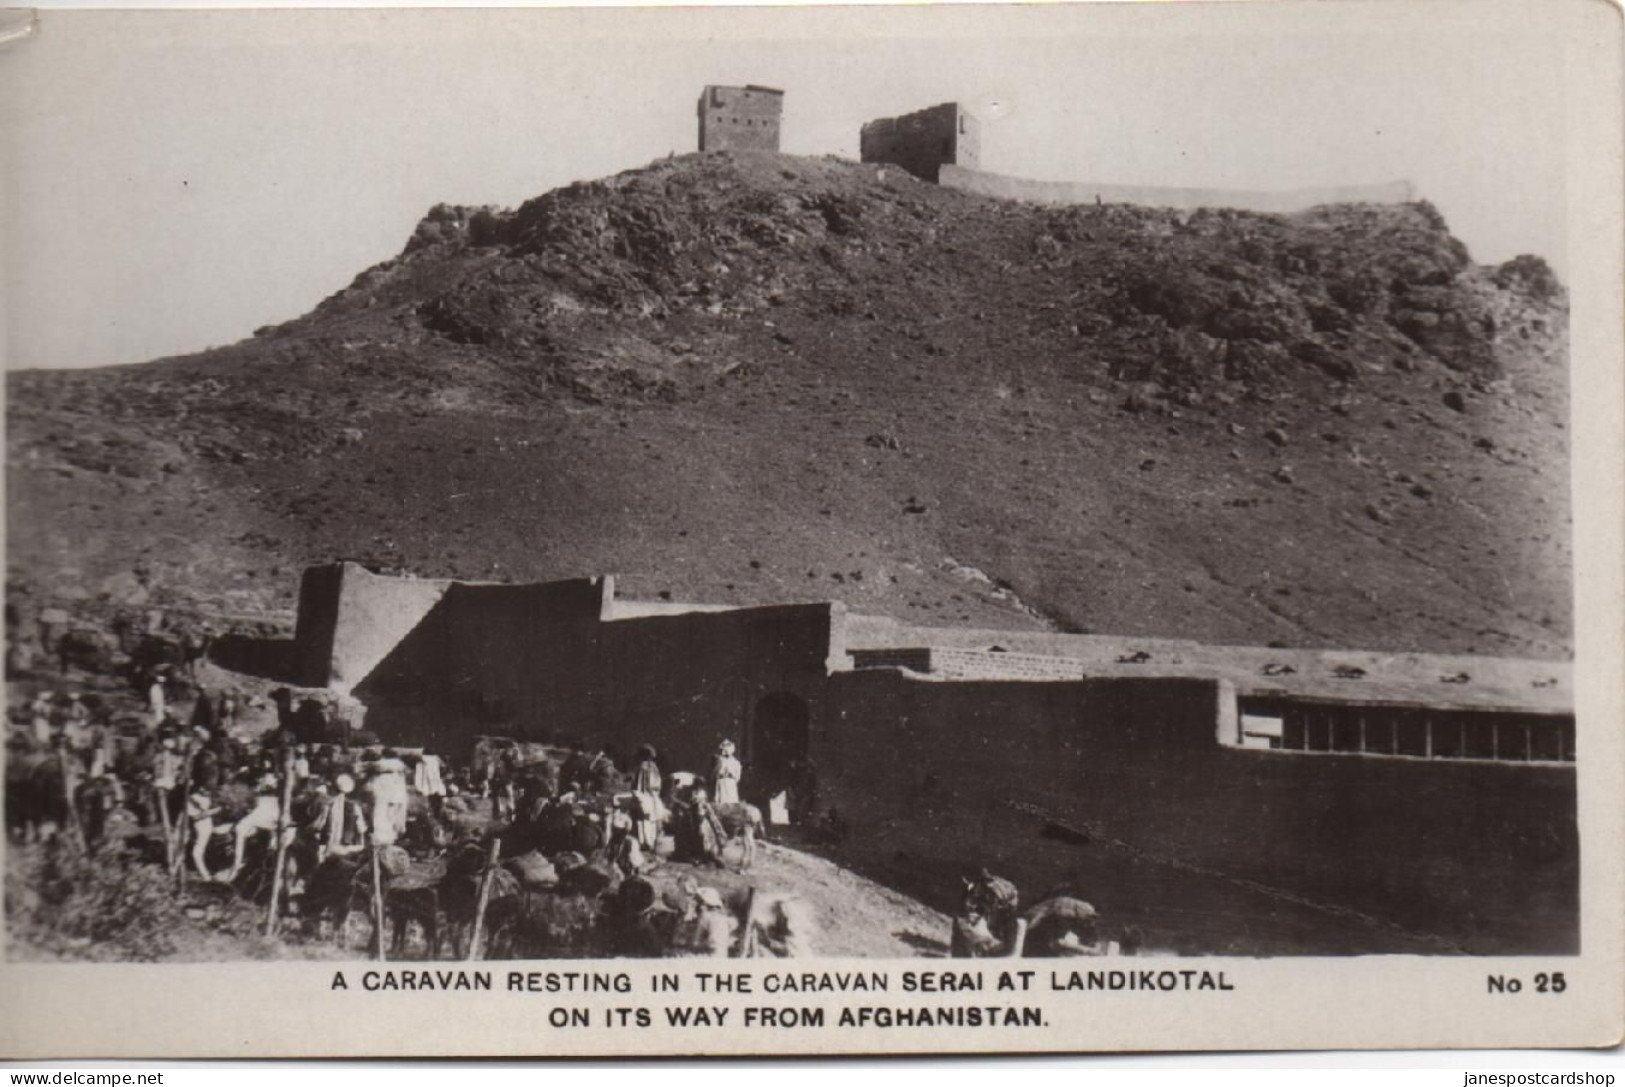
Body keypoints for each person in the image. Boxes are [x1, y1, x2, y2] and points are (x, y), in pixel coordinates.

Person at [712, 739, 741, 806]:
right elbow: (714, 773)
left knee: (730, 802)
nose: (725, 751)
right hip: (721, 782)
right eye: (724, 749)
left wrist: (731, 776)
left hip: (730, 784)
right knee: (720, 802)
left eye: (727, 748)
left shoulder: (736, 762)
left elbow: (737, 777)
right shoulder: (719, 760)